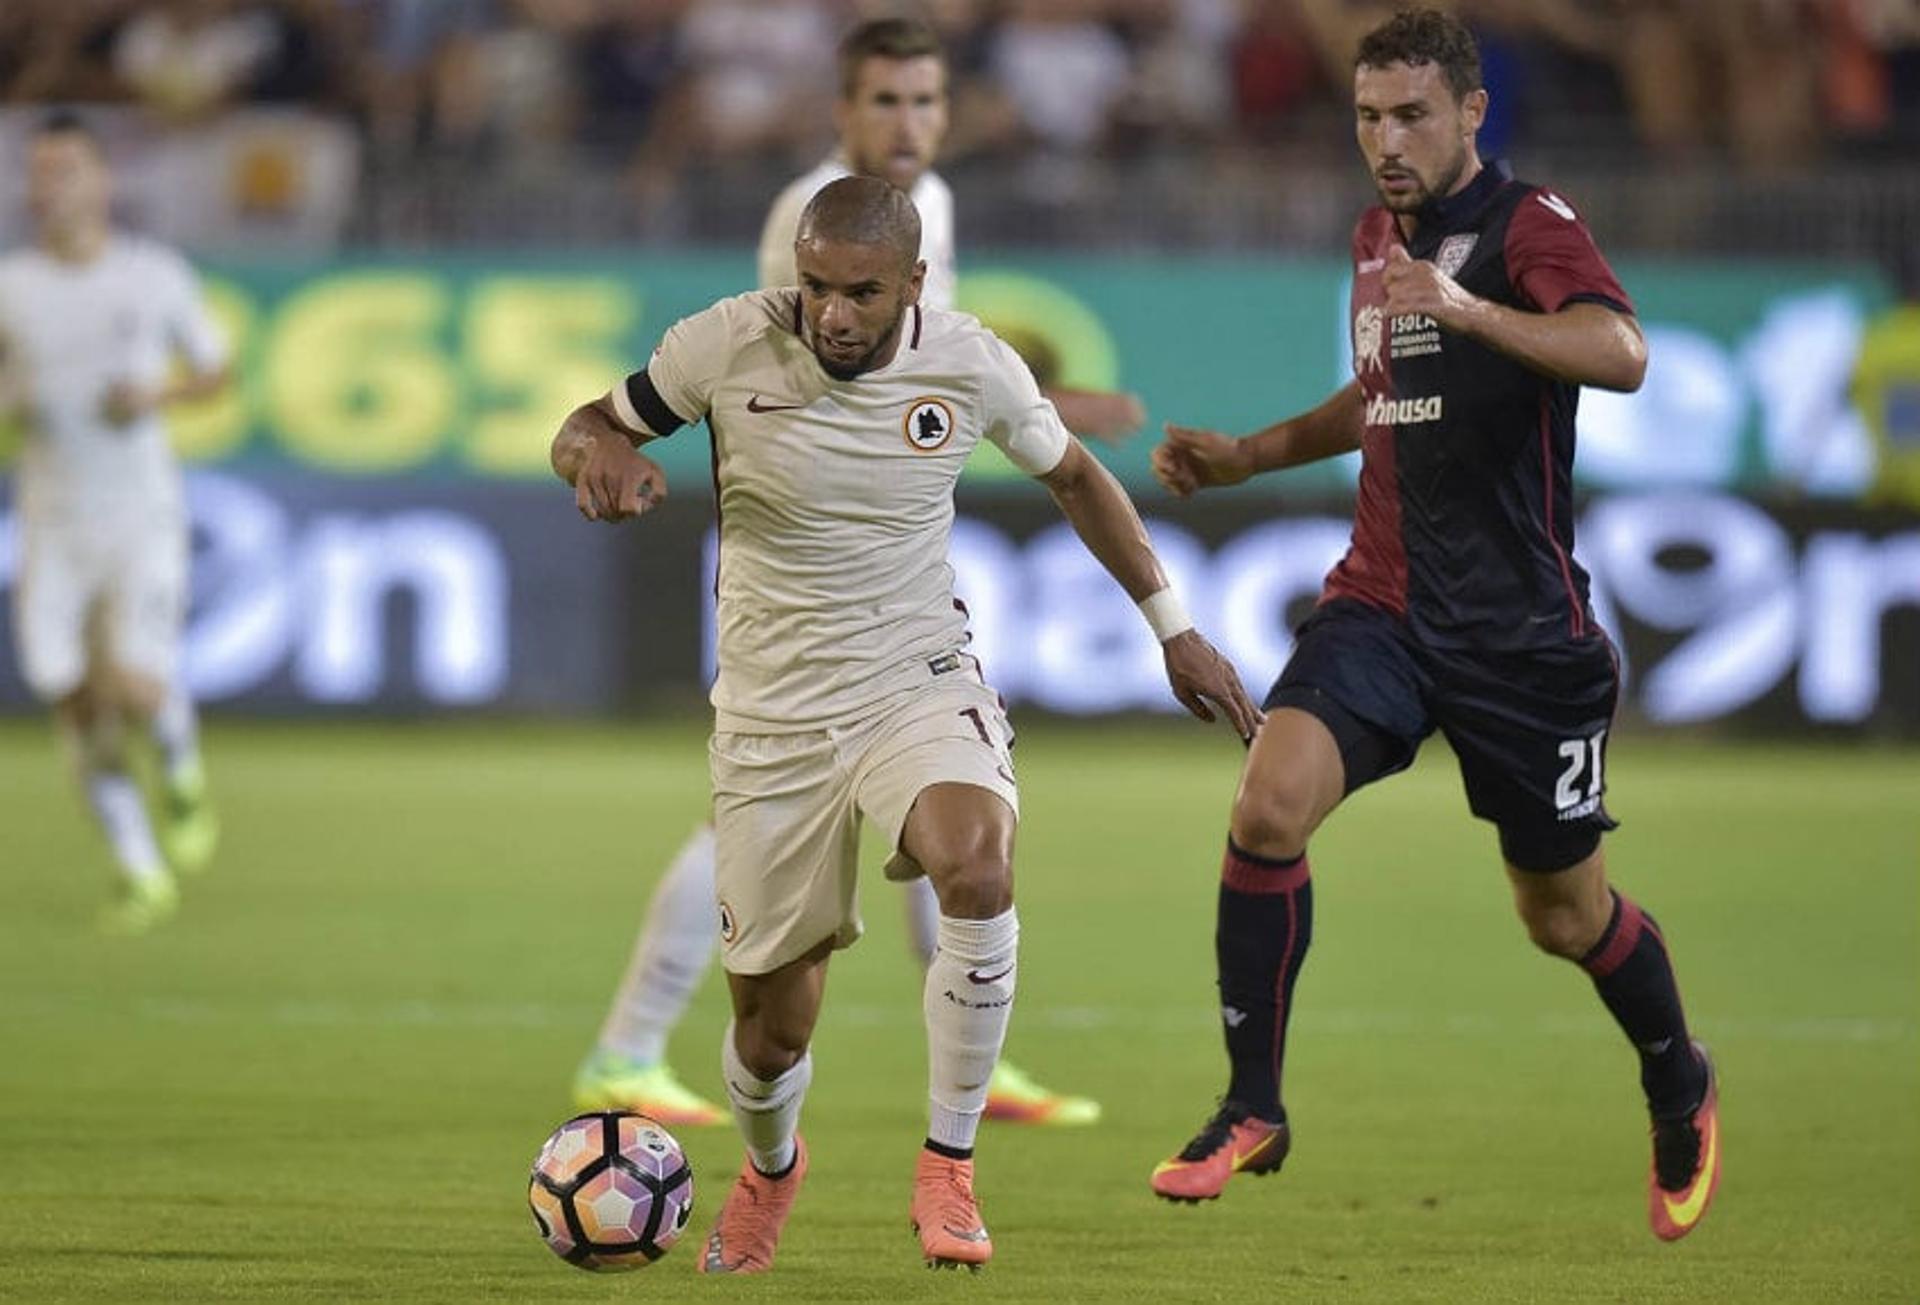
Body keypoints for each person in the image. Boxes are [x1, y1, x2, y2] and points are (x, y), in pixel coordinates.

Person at [551, 175, 1259, 1273]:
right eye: (817, 287)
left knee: (975, 864)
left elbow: (1076, 477)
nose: (832, 313)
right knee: (769, 1031)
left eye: (861, 293)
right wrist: (599, 455)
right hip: (770, 721)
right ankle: (771, 1170)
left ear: (914, 285)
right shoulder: (724, 343)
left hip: (915, 677)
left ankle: (950, 1168)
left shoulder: (969, 360)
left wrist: (1173, 627)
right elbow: (590, 424)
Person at [1145, 9, 1720, 1243]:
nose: (1386, 142)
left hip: (1522, 639)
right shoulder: (1375, 238)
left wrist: (1466, 308)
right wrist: (1251, 455)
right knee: (1265, 803)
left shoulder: (1529, 228)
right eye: (1367, 117)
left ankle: (1680, 1078)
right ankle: (1253, 1104)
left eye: (1410, 115)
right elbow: (1383, 390)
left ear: (1471, 113)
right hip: (1385, 607)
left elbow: (1619, 352)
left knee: (1563, 919)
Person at [572, 15, 1139, 1130]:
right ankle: (628, 1045)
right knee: (748, 829)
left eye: (927, 102)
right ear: (842, 114)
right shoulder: (816, 211)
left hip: (887, 562)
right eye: (885, 102)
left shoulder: (931, 216)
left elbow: (916, 366)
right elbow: (803, 369)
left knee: (941, 815)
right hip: (796, 564)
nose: (909, 123)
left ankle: (972, 1042)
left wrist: (1032, 408)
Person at [0, 112, 227, 933]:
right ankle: (140, 869)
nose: (47, 185)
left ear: (101, 181)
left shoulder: (152, 275)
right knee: (71, 700)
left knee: (131, 683)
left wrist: (153, 397)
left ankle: (179, 761)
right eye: (38, 170)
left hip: (139, 510)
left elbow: (215, 370)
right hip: (50, 517)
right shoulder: (11, 287)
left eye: (64, 168)